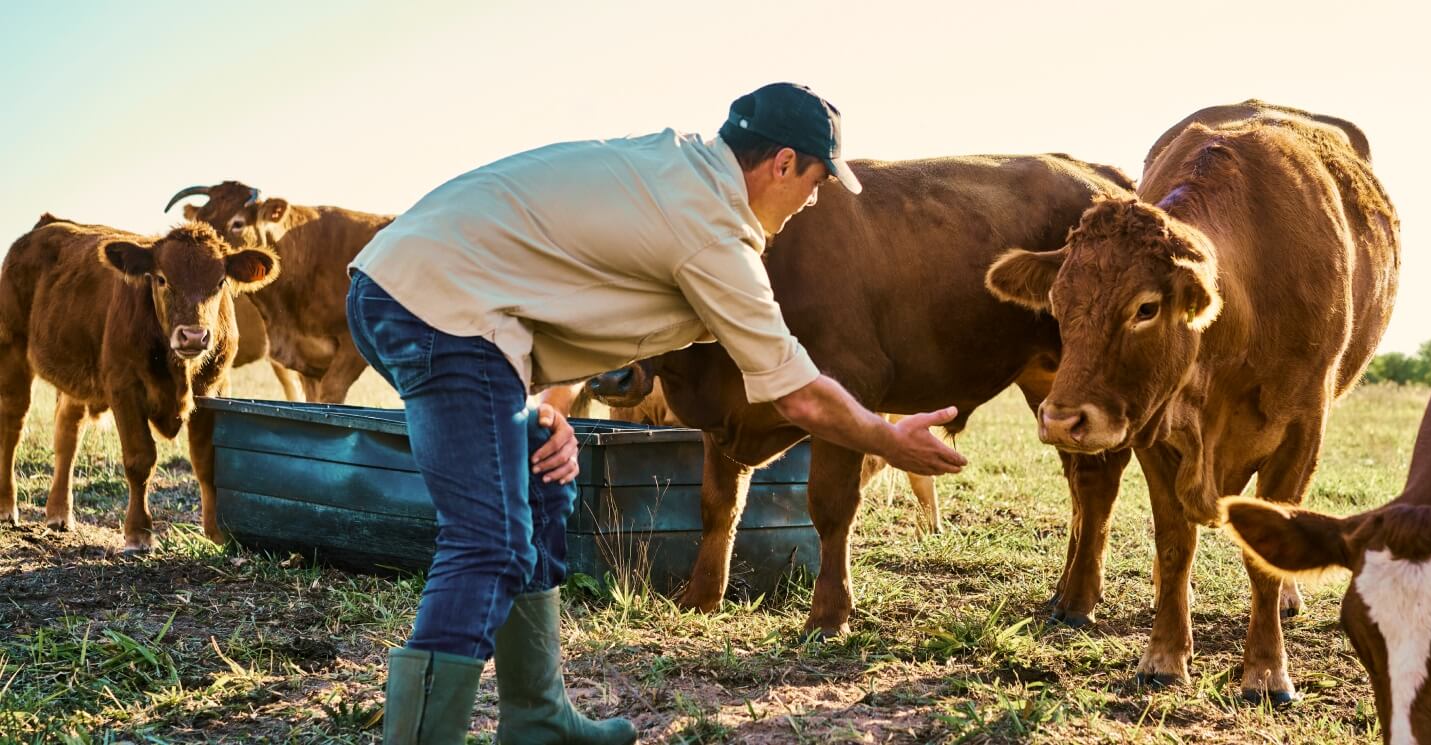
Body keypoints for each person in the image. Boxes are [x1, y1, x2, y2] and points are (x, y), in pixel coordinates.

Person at [346, 82, 967, 745]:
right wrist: (887, 438)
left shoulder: (677, 169)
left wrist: (536, 412)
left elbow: (555, 272)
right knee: (488, 540)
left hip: (434, 298)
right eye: (816, 179)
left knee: (541, 478)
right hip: (435, 307)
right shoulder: (712, 229)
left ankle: (534, 717)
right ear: (783, 163)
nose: (815, 199)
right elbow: (798, 394)